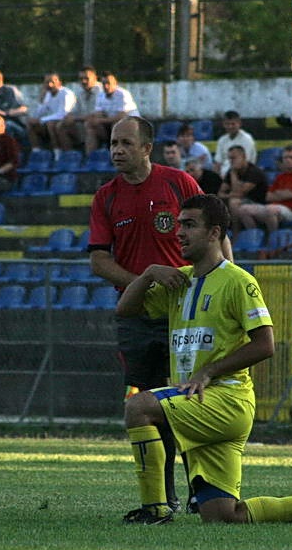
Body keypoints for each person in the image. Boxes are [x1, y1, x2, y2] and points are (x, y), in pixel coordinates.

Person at [117, 193, 292, 525]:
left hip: (226, 399)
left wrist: (208, 371)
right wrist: (147, 275)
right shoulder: (179, 281)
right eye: (179, 224)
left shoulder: (239, 281)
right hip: (199, 402)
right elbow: (125, 310)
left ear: (214, 233)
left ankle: (154, 509)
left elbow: (265, 344)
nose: (179, 233)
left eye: (189, 225)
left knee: (137, 407)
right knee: (224, 516)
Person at [88, 116, 232, 514]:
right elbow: (99, 261)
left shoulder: (179, 183)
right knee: (144, 404)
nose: (117, 150)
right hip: (136, 318)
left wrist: (224, 285)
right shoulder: (106, 197)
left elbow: (217, 233)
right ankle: (160, 495)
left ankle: (200, 490)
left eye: (125, 143)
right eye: (113, 143)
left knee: (189, 400)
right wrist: (144, 282)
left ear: (146, 148)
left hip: (185, 315)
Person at [237, 146, 292, 231]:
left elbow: (289, 194)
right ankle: (255, 235)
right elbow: (268, 196)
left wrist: (278, 194)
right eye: (285, 157)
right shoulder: (280, 177)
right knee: (243, 210)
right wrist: (281, 194)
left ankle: (272, 237)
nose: (288, 160)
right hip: (273, 207)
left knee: (270, 210)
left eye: (291, 157)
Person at [85, 71, 140, 155]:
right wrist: (95, 121)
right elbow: (99, 114)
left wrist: (100, 121)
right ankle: (90, 159)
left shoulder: (123, 94)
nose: (106, 86)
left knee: (116, 124)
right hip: (110, 126)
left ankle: (117, 154)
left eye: (108, 83)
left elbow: (121, 116)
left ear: (115, 83)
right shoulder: (101, 94)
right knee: (91, 127)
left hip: (132, 126)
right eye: (103, 83)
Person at [218, 145, 268, 235]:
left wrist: (233, 173)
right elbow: (220, 193)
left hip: (258, 202)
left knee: (234, 202)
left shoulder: (254, 172)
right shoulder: (231, 171)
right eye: (230, 158)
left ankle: (236, 232)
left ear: (244, 157)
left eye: (234, 158)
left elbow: (239, 193)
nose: (231, 161)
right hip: (244, 202)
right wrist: (231, 195)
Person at [27, 72, 77, 154]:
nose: (49, 85)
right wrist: (41, 100)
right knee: (30, 123)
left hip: (69, 124)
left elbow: (62, 114)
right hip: (51, 123)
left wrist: (41, 120)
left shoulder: (66, 94)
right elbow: (38, 114)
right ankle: (36, 153)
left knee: (51, 124)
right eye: (46, 82)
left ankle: (58, 153)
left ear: (59, 83)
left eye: (52, 82)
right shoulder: (48, 94)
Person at [56, 65, 102, 153]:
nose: (83, 81)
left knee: (90, 124)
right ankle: (70, 158)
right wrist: (68, 117)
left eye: (86, 78)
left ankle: (90, 160)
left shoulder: (102, 91)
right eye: (81, 79)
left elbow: (96, 115)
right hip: (83, 125)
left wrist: (75, 118)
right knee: (61, 126)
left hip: (100, 127)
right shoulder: (80, 92)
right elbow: (74, 111)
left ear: (95, 78)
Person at [213, 110, 256, 177]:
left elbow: (245, 163)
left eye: (233, 124)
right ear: (223, 124)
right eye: (227, 124)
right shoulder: (222, 140)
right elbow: (218, 163)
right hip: (223, 177)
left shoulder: (247, 139)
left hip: (243, 175)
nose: (230, 126)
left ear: (239, 123)